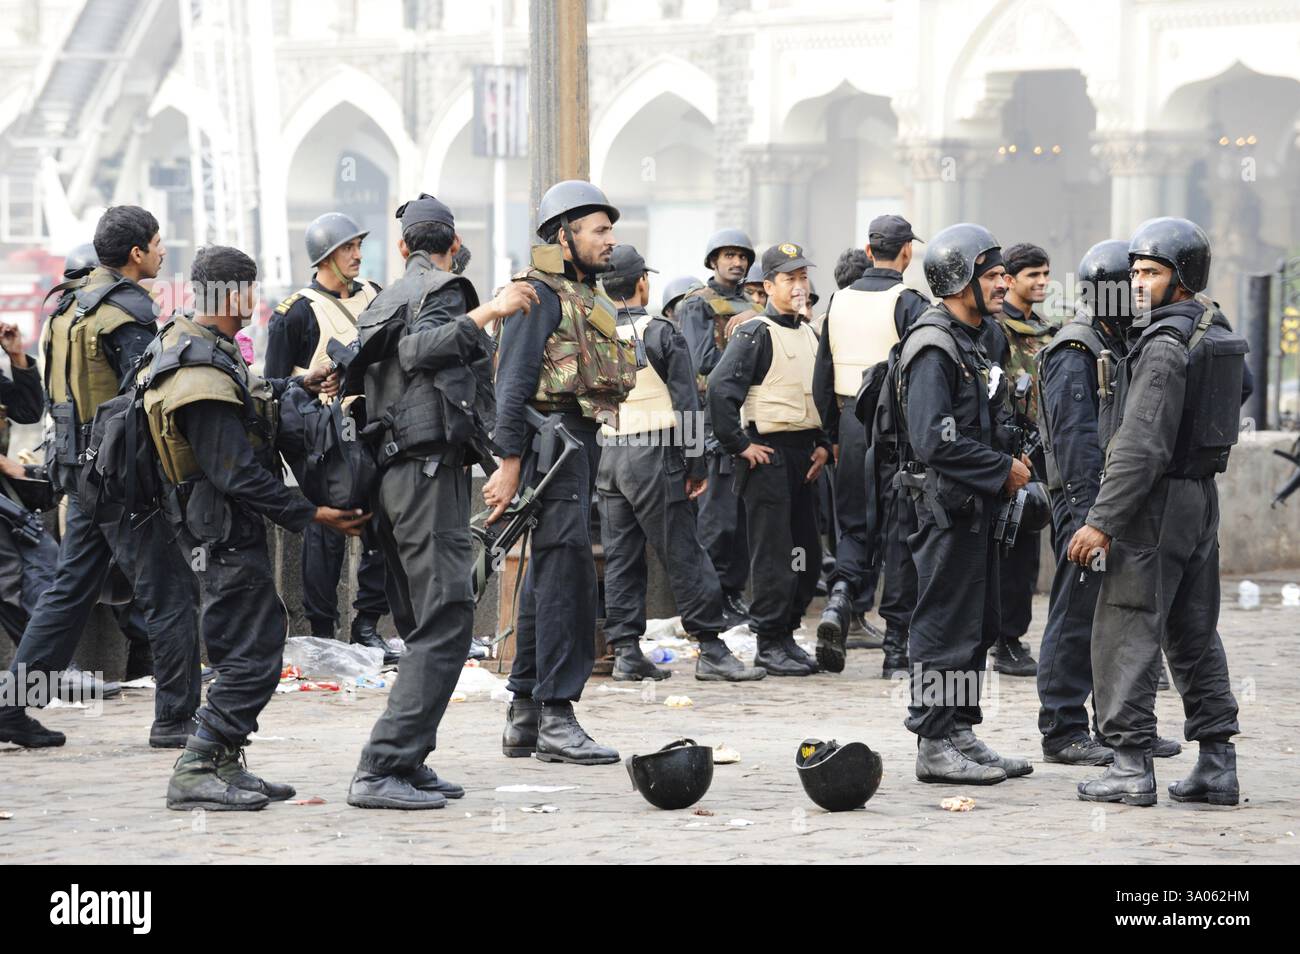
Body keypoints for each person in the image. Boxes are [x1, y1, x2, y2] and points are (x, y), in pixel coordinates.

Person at [146, 245, 365, 810]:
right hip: (220, 529)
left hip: (221, 526)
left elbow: (247, 405)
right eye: (251, 289)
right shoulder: (197, 366)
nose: (256, 301)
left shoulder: (201, 346)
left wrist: (299, 386)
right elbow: (233, 471)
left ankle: (223, 759)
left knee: (240, 641)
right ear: (234, 293)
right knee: (255, 646)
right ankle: (197, 764)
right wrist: (311, 515)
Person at [347, 194, 537, 808]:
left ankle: (411, 757)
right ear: (452, 245)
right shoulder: (446, 289)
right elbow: (419, 352)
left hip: (393, 478)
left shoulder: (381, 298)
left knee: (416, 622)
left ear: (402, 247)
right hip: (427, 476)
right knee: (448, 621)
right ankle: (383, 766)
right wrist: (491, 309)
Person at [0, 206, 202, 750]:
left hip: (80, 473)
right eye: (158, 244)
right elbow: (147, 400)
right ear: (136, 253)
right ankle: (177, 720)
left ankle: (12, 707)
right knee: (171, 593)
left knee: (69, 592)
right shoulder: (128, 312)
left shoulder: (67, 305)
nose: (163, 253)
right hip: (124, 478)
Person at [1071, 217, 1244, 807]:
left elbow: (1140, 445)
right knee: (1195, 630)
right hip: (1200, 498)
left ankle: (1128, 764)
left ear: (1183, 277)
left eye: (1151, 272)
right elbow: (1240, 386)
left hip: (1155, 503)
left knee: (1125, 627)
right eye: (1136, 271)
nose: (1138, 283)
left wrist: (1101, 521)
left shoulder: (1164, 344)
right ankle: (1218, 764)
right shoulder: (1212, 326)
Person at [485, 180, 637, 765]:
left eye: (609, 228)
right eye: (598, 229)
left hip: (577, 443)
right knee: (568, 580)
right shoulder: (536, 294)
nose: (610, 239)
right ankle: (557, 715)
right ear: (563, 236)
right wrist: (509, 463)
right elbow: (514, 381)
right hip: (551, 446)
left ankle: (526, 714)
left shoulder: (582, 295)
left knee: (550, 576)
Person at [895, 223, 1033, 784]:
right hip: (945, 509)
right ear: (960, 280)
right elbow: (933, 439)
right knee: (943, 623)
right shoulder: (934, 345)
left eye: (1003, 273)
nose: (1003, 284)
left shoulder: (979, 337)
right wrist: (1002, 469)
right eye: (993, 274)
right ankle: (933, 742)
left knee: (976, 623)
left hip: (978, 507)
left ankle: (959, 730)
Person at [596, 245, 763, 683]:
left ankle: (627, 650)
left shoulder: (590, 333)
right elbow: (688, 405)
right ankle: (710, 645)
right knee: (684, 551)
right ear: (642, 283)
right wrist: (696, 466)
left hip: (609, 454)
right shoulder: (661, 333)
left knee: (621, 556)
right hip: (654, 453)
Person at [266, 212, 393, 661]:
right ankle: (322, 629)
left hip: (374, 428)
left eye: (358, 245)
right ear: (325, 257)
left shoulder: (377, 296)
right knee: (326, 535)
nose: (357, 254)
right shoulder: (296, 312)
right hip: (324, 442)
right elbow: (273, 388)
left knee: (385, 524)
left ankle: (367, 623)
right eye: (347, 248)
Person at [707, 242, 830, 677]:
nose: (798, 286)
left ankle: (786, 632)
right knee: (773, 554)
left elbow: (822, 396)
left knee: (806, 554)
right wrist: (740, 446)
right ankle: (768, 640)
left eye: (803, 278)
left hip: (805, 457)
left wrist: (824, 444)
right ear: (767, 286)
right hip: (768, 456)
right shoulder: (754, 333)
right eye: (789, 279)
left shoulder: (811, 332)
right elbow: (721, 392)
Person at [813, 215, 929, 671]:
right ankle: (896, 646)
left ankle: (840, 600)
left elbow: (822, 374)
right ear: (906, 253)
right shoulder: (909, 302)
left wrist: (831, 436)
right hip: (896, 430)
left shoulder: (838, 301)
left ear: (867, 252)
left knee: (854, 526)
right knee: (899, 531)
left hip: (849, 427)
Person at [677, 229, 759, 628]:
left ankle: (732, 594)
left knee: (741, 521)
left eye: (742, 256)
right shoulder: (698, 305)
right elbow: (696, 364)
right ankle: (708, 601)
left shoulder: (753, 304)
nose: (737, 263)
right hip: (712, 424)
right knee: (716, 521)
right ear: (713, 261)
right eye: (729, 255)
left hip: (749, 422)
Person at [982, 243, 1055, 677]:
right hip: (1003, 454)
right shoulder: (994, 330)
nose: (1043, 282)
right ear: (1011, 278)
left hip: (1039, 450)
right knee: (1004, 549)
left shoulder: (1044, 329)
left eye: (1047, 274)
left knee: (1025, 549)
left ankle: (1012, 635)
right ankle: (1002, 639)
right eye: (1034, 275)